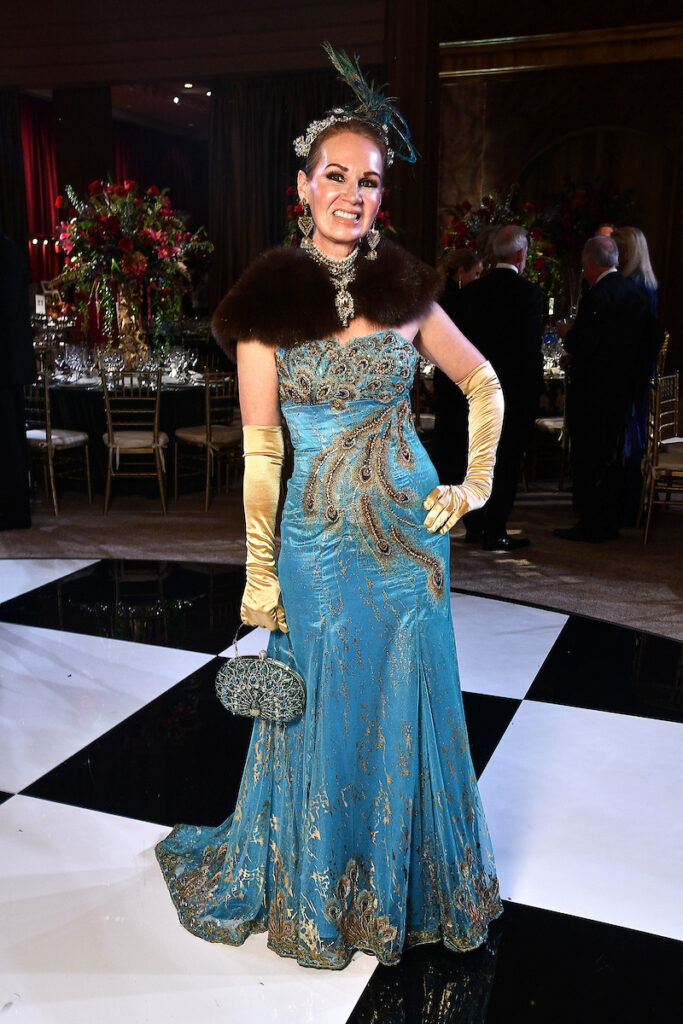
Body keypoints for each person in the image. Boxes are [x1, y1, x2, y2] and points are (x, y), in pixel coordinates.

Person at [155, 44, 505, 970]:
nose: (355, 195)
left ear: (383, 196)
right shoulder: (264, 303)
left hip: (408, 537)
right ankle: (317, 888)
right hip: (315, 544)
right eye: (336, 177)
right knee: (319, 708)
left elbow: (484, 383)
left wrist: (470, 485)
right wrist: (261, 572)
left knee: (406, 700)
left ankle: (407, 884)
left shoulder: (405, 291)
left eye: (372, 181)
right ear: (303, 187)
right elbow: (263, 449)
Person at [554, 236, 660, 542]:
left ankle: (590, 523)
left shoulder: (597, 295)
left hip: (592, 391)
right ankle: (609, 520)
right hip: (623, 391)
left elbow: (583, 342)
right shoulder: (635, 293)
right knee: (612, 456)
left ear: (590, 263)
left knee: (588, 457)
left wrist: (568, 335)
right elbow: (651, 340)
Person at [454, 225, 544, 550]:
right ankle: (496, 530)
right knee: (506, 460)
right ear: (521, 255)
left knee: (476, 455)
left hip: (475, 388)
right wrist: (536, 390)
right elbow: (530, 348)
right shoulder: (530, 294)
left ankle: (476, 525)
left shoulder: (472, 293)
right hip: (514, 391)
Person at [611, 226, 661, 523]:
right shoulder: (646, 284)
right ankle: (629, 503)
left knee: (629, 437)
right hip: (640, 373)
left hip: (631, 374)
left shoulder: (635, 288)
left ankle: (627, 506)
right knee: (632, 435)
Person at [432, 248, 483, 485]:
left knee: (447, 426)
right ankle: (451, 478)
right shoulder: (456, 298)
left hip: (444, 371)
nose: (478, 279)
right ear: (461, 271)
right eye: (476, 273)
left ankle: (446, 476)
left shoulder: (442, 293)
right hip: (454, 370)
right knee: (454, 428)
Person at [0, 231, 36, 531]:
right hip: (13, 362)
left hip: (3, 359)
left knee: (7, 441)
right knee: (13, 438)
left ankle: (9, 511)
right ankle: (17, 511)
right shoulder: (12, 251)